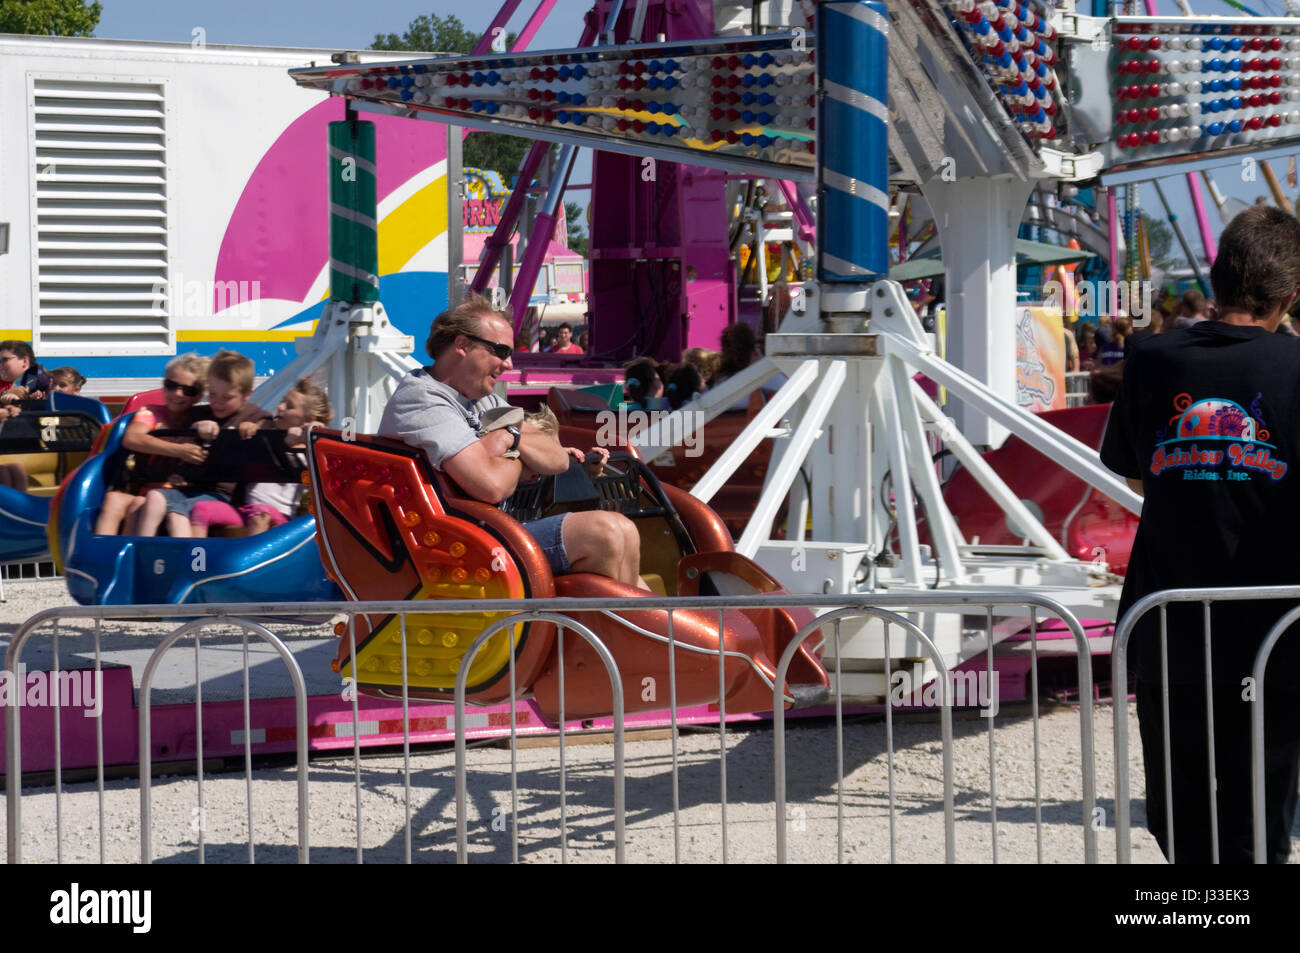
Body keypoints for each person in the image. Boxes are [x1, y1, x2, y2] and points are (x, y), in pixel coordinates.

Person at [1101, 204, 1300, 864]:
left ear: (1215, 280)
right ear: (1289, 295)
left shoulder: (1151, 358)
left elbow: (1133, 476)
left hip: (1169, 618)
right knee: (1260, 801)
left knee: (1180, 801)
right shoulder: (1295, 367)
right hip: (1271, 626)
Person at [379, 294, 648, 588]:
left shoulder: (484, 400)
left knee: (625, 534)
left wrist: (508, 439)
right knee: (606, 532)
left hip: (485, 533)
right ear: (461, 345)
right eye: (500, 350)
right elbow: (491, 486)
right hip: (452, 547)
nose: (508, 363)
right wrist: (522, 453)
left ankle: (646, 630)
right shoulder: (422, 399)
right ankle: (619, 630)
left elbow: (557, 459)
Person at [135, 349, 271, 538]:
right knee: (154, 497)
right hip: (189, 489)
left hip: (222, 495)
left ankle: (190, 563)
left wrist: (254, 427)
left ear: (247, 394)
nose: (218, 403)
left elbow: (270, 431)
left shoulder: (253, 416)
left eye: (227, 397)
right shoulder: (200, 414)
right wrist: (195, 428)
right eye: (213, 395)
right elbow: (180, 445)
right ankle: (141, 550)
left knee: (177, 513)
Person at [192, 378, 333, 536]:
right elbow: (256, 429)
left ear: (307, 419)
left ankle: (249, 559)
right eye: (282, 401)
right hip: (246, 510)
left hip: (280, 516)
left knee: (260, 515)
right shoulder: (267, 431)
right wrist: (248, 428)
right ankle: (197, 557)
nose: (280, 407)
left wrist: (310, 434)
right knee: (201, 508)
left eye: (289, 406)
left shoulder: (309, 448)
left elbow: (322, 465)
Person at [93, 354, 211, 535]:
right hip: (146, 487)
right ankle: (100, 556)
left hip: (179, 496)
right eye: (171, 386)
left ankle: (132, 556)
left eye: (188, 390)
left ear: (198, 396)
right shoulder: (151, 413)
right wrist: (180, 451)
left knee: (140, 504)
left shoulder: (201, 419)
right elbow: (132, 438)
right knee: (112, 499)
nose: (178, 394)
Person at [0, 341, 50, 407]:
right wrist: (5, 393)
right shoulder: (4, 379)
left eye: (4, 360)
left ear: (24, 361)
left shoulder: (37, 376)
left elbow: (26, 394)